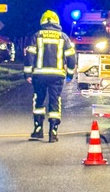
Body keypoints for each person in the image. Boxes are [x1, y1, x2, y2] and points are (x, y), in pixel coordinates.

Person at [23, 10, 77, 143]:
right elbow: (71, 57)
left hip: (39, 76)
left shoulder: (37, 35)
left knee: (39, 101)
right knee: (55, 101)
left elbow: (30, 56)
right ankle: (53, 132)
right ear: (56, 21)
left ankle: (38, 129)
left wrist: (27, 74)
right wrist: (70, 74)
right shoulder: (63, 37)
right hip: (57, 76)